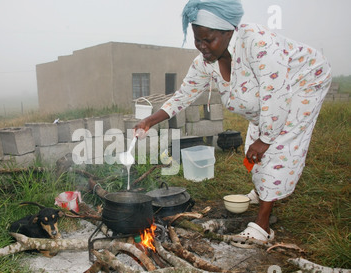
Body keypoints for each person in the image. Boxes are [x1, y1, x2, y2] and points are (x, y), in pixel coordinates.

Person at [133, 0, 332, 247]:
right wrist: (150, 120)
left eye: (208, 40)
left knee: (280, 144)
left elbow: (276, 95)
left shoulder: (258, 45)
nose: (202, 47)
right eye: (197, 40)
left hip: (304, 79)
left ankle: (263, 225)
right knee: (257, 141)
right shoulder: (206, 62)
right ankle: (264, 191)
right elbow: (184, 95)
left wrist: (267, 139)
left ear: (229, 32)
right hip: (273, 95)